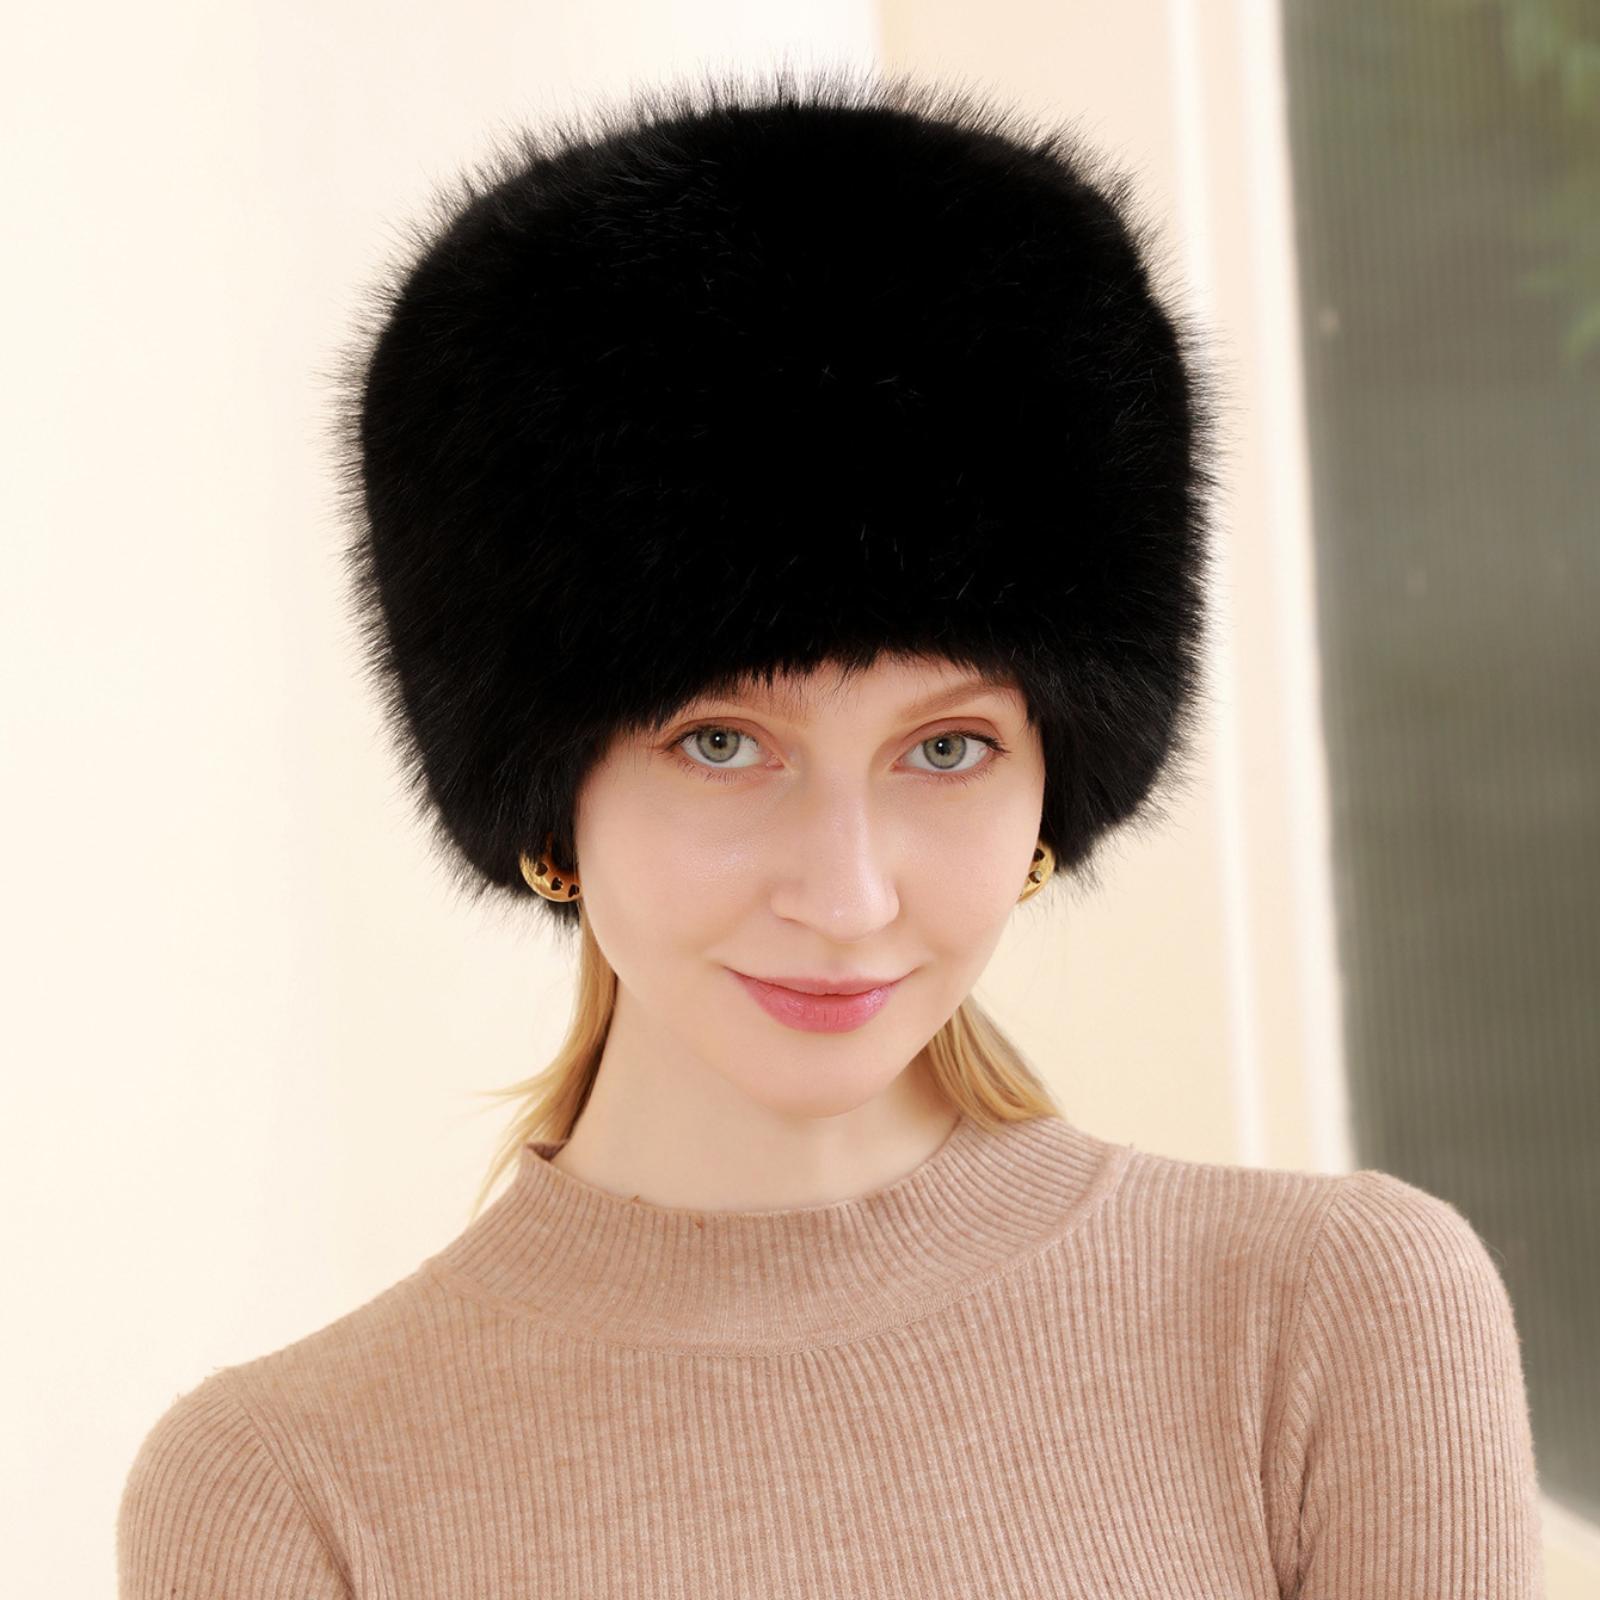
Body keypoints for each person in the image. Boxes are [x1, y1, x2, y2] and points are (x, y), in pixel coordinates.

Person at [117, 64, 1545, 1598]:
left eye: (948, 747)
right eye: (723, 743)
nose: (849, 895)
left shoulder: (1338, 1323)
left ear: (1054, 784)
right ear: (546, 794)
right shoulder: (283, 1495)